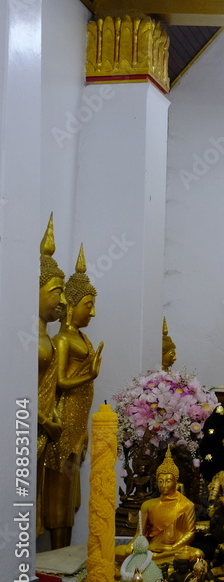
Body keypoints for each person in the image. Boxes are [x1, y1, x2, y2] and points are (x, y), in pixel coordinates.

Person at [44, 245, 103, 549]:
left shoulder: (82, 338)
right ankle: (56, 551)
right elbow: (59, 382)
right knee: (59, 489)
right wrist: (89, 374)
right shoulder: (62, 339)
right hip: (63, 421)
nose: (92, 313)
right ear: (72, 304)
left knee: (71, 490)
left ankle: (65, 551)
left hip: (78, 424)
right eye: (88, 305)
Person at [116, 446, 203, 566]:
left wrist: (173, 547)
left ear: (175, 482)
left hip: (174, 551)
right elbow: (140, 533)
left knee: (197, 554)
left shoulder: (186, 505)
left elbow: (190, 533)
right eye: (160, 481)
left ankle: (152, 562)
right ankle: (154, 561)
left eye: (168, 481)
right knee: (118, 552)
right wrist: (132, 545)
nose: (164, 485)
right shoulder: (148, 505)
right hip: (151, 550)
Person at [37, 215, 66, 470]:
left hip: (48, 426)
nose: (64, 301)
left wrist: (54, 417)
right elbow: (18, 394)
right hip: (28, 426)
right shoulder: (25, 341)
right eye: (56, 293)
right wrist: (44, 421)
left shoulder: (50, 340)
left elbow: (51, 389)